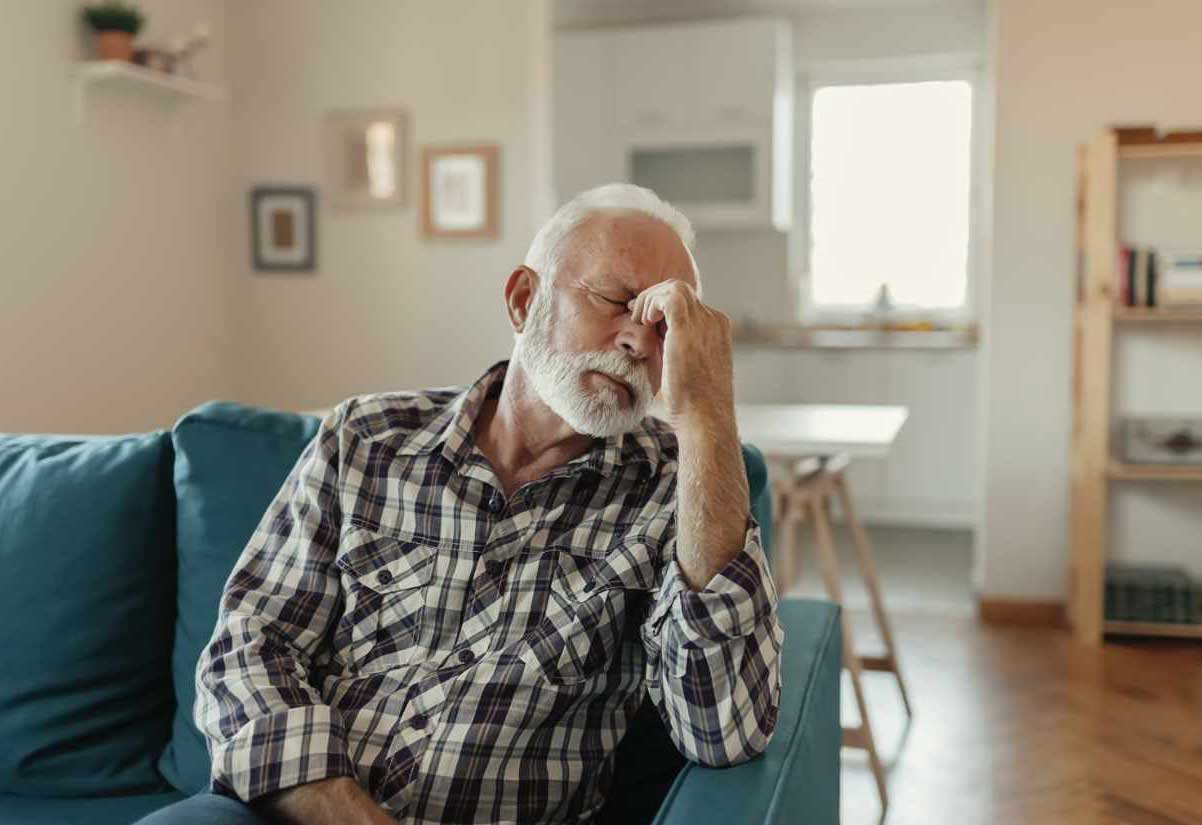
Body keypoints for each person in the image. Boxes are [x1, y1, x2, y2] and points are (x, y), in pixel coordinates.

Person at [138, 183, 782, 825]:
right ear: (524, 300)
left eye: (666, 327)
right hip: (292, 813)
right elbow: (250, 645)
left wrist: (708, 417)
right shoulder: (367, 436)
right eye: (617, 301)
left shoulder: (673, 491)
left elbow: (726, 729)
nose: (640, 343)